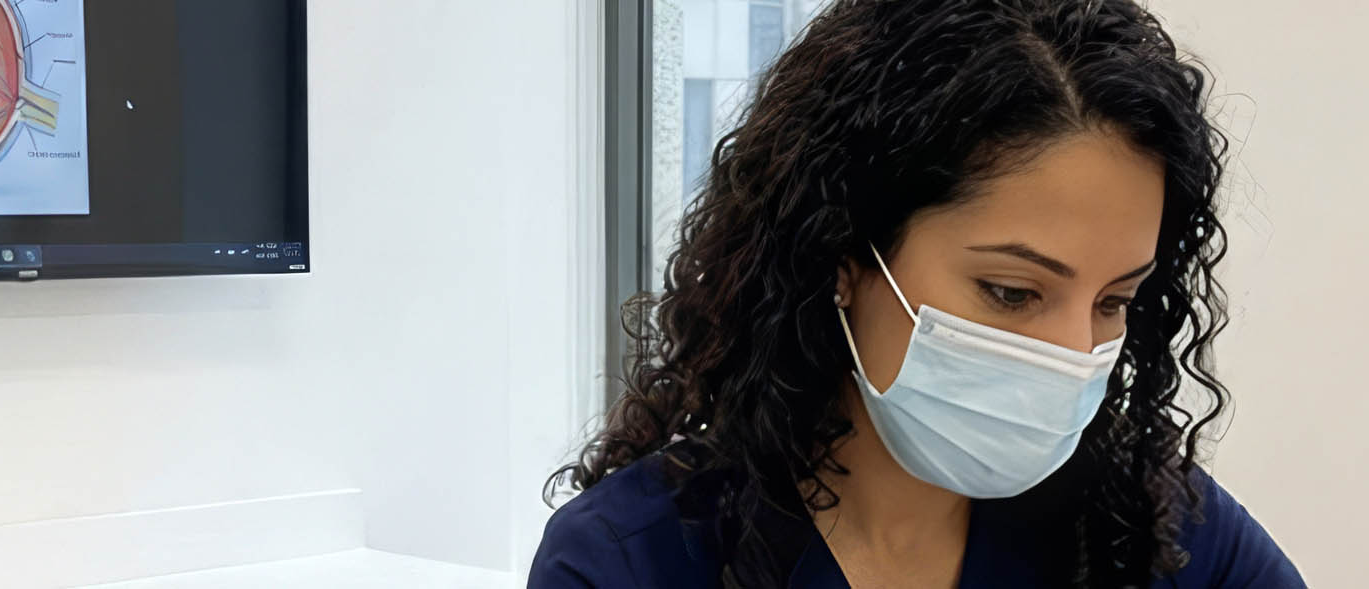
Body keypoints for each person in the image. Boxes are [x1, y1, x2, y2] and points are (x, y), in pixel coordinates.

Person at [533, 0, 1304, 586]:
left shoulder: (1156, 531)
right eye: (1011, 292)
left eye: (1113, 301)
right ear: (843, 255)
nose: (1074, 357)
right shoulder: (629, 561)